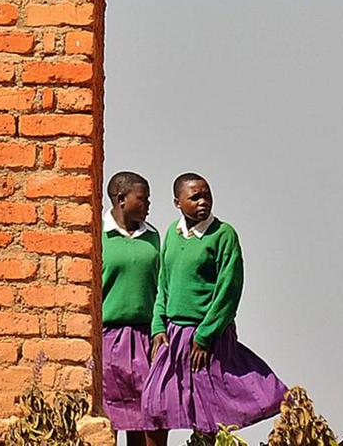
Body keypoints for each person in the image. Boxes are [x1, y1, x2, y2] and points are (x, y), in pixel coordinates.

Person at [142, 173, 287, 431]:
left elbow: (228, 289)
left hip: (207, 335)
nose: (203, 202)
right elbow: (163, 284)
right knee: (156, 405)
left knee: (209, 410)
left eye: (207, 195)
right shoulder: (172, 235)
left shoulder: (223, 235)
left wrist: (206, 336)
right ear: (178, 203)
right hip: (173, 333)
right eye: (194, 197)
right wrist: (157, 327)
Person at [102, 171, 167, 446]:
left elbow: (163, 285)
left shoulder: (153, 237)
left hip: (147, 337)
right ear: (121, 199)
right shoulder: (97, 235)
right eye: (143, 198)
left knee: (152, 417)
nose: (149, 204)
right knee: (110, 417)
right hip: (107, 339)